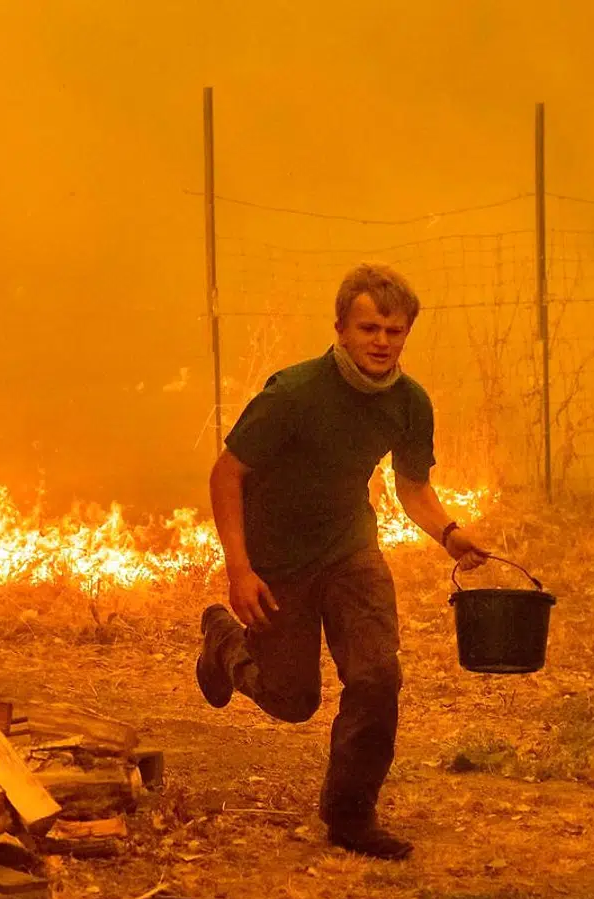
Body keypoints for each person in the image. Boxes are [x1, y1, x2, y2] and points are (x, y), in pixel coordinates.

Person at [197, 263, 487, 861]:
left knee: (378, 675)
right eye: (370, 328)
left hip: (351, 549)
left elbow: (413, 488)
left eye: (395, 330)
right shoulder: (294, 394)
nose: (382, 341)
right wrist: (240, 570)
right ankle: (226, 645)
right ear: (341, 329)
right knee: (292, 700)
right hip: (278, 559)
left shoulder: (409, 403)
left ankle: (350, 814)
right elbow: (227, 474)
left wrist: (450, 533)